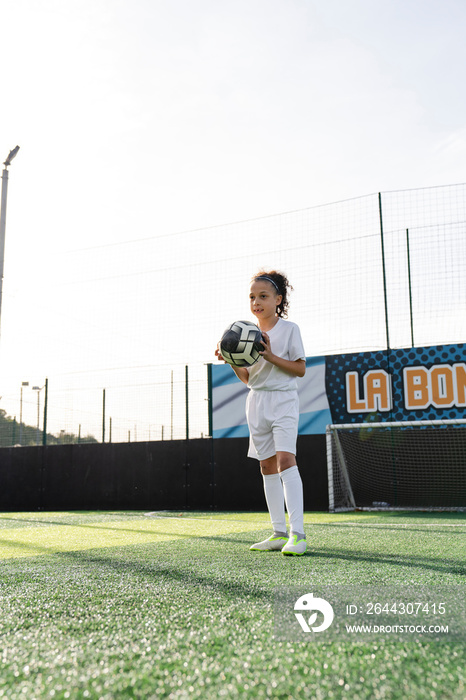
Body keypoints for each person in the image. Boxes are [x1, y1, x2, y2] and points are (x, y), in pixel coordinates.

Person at [216, 270, 307, 556]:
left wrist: (269, 355)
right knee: (266, 466)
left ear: (278, 300)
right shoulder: (243, 332)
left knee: (285, 460)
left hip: (283, 400)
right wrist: (231, 359)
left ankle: (298, 534)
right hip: (256, 401)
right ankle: (278, 532)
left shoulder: (289, 330)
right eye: (252, 297)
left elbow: (300, 369)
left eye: (263, 296)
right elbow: (248, 378)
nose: (257, 302)